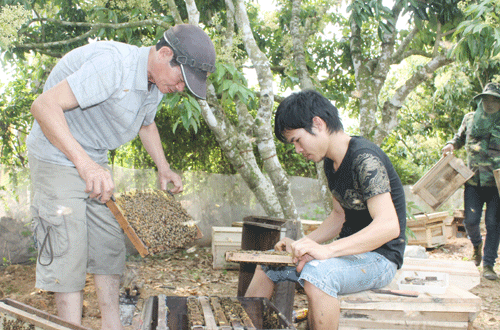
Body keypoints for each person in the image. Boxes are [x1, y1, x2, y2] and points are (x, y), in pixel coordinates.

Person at [27, 24, 216, 329]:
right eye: (181, 79)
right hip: (57, 156)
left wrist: (163, 167)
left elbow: (146, 124)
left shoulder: (153, 83)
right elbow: (43, 106)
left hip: (94, 161)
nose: (181, 88)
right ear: (164, 54)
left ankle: (112, 325)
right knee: (67, 251)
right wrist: (85, 164)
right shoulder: (113, 65)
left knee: (109, 247)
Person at [245, 90, 406, 330]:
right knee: (269, 264)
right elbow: (339, 217)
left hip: (381, 259)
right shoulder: (331, 164)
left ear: (317, 124)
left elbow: (389, 226)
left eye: (297, 140)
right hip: (347, 254)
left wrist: (327, 251)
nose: (298, 150)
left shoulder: (364, 158)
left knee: (318, 274)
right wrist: (302, 244)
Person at [441, 82, 500, 281]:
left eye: (494, 99)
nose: (489, 103)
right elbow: (458, 138)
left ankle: (489, 264)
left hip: (496, 185)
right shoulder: (470, 118)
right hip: (473, 181)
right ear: (480, 100)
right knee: (471, 222)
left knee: (493, 223)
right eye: (486, 99)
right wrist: (450, 145)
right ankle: (476, 246)